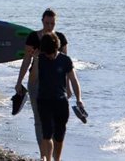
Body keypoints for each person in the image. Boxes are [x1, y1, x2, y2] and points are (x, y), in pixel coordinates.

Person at [15, 8, 69, 159]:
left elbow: (66, 65)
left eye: (52, 23)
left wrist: (68, 87)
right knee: (39, 119)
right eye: (47, 23)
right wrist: (19, 82)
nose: (49, 26)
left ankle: (52, 154)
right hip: (36, 81)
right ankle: (44, 155)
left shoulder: (61, 39)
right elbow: (26, 61)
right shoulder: (33, 37)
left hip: (56, 84)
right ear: (42, 21)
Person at [30, 32, 84, 161]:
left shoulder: (65, 60)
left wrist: (79, 99)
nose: (50, 56)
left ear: (57, 48)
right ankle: (48, 159)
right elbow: (32, 80)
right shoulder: (40, 59)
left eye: (52, 53)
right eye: (47, 54)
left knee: (59, 136)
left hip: (61, 102)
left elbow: (74, 80)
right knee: (47, 134)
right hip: (43, 101)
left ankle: (57, 159)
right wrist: (36, 61)